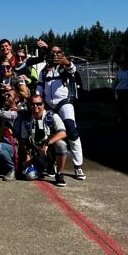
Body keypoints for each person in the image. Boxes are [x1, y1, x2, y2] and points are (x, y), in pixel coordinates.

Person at [36, 44, 86, 180]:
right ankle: (52, 164)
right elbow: (40, 87)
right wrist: (38, 100)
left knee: (72, 130)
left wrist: (66, 62)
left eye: (58, 53)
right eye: (53, 53)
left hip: (64, 103)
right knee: (49, 134)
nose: (55, 55)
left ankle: (78, 166)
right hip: (49, 105)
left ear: (62, 54)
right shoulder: (44, 71)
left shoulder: (64, 67)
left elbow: (72, 69)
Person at [16, 95, 69, 187]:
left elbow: (63, 133)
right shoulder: (27, 121)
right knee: (29, 176)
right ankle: (46, 167)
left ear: (43, 105)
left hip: (51, 150)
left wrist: (47, 143)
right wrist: (28, 156)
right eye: (32, 104)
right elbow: (24, 141)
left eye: (39, 104)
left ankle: (59, 174)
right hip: (38, 154)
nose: (35, 106)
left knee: (61, 144)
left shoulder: (52, 116)